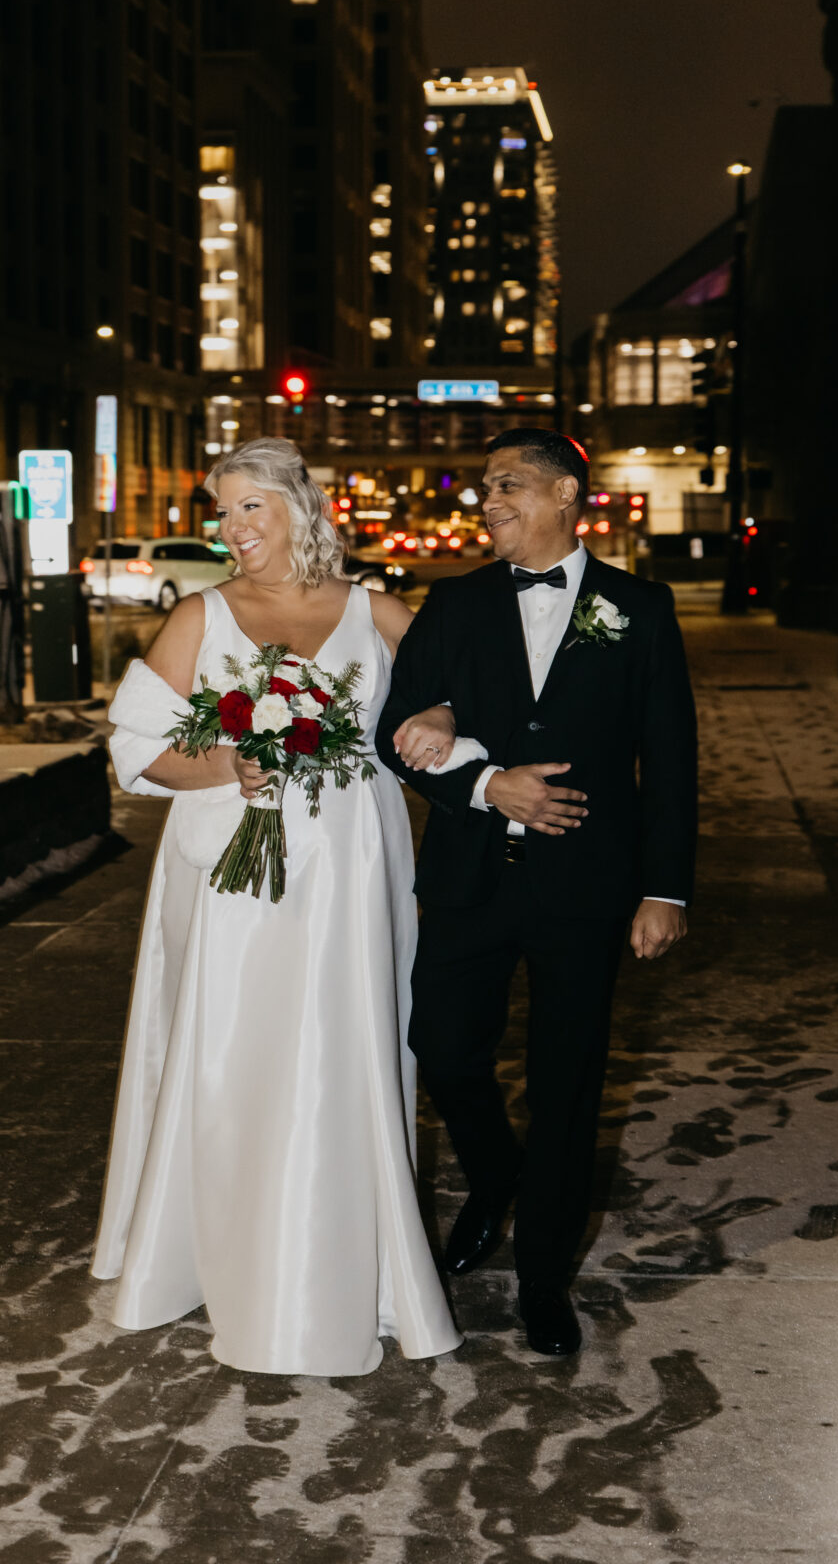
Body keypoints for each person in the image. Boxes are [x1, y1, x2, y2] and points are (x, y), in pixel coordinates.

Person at [92, 437, 463, 1376]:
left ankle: (348, 1262)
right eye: (220, 512)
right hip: (226, 864)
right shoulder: (198, 615)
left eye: (246, 508)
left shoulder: (377, 610)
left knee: (345, 1046)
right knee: (229, 1047)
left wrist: (445, 718)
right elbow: (136, 751)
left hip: (349, 864)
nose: (230, 530)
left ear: (298, 506)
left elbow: (455, 698)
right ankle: (207, 1249)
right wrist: (227, 760)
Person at [376, 427, 698, 1357]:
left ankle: (545, 1280)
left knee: (568, 1085)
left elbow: (668, 760)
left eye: (506, 485)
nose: (487, 502)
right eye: (483, 489)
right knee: (437, 1042)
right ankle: (493, 1174)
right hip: (471, 877)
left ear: (565, 494)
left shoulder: (639, 607)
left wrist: (664, 890)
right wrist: (480, 779)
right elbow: (394, 724)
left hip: (587, 885)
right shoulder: (455, 602)